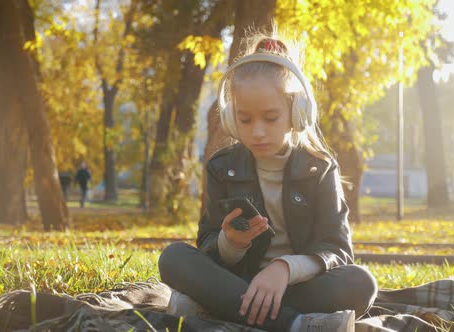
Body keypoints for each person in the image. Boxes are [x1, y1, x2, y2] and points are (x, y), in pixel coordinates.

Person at [158, 31, 377, 332]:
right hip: (236, 284)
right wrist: (229, 245)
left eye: (270, 118)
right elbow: (207, 242)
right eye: (245, 120)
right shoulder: (221, 168)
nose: (257, 131)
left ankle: (215, 309)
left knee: (361, 283)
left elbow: (338, 249)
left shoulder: (320, 168)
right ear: (232, 119)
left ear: (297, 113)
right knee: (173, 257)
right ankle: (296, 325)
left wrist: (284, 268)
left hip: (295, 287)